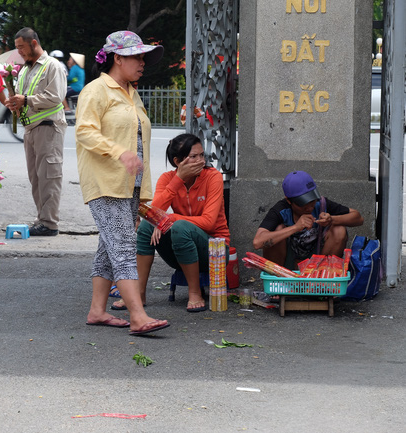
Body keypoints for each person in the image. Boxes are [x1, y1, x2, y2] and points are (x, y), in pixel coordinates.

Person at [75, 30, 169, 336]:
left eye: (144, 57)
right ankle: (138, 315)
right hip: (105, 183)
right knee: (125, 247)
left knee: (109, 247)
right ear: (118, 58)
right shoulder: (96, 91)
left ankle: (97, 311)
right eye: (137, 57)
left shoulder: (132, 93)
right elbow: (85, 132)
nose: (143, 63)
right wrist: (119, 153)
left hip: (130, 186)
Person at [129, 133, 230, 313]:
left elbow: (208, 223)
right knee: (146, 227)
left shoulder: (212, 177)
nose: (200, 161)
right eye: (193, 157)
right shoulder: (167, 179)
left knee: (179, 226)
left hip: (215, 251)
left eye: (201, 155)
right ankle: (139, 293)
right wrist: (178, 180)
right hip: (181, 250)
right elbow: (153, 214)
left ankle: (195, 293)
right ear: (178, 161)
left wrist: (170, 219)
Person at [7, 28, 67, 236]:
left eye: (21, 47)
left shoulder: (52, 66)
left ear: (33, 43)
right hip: (30, 128)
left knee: (49, 176)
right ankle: (42, 218)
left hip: (48, 127)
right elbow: (23, 96)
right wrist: (15, 103)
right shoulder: (24, 69)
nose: (20, 52)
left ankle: (50, 223)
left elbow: (56, 96)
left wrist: (27, 100)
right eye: (17, 48)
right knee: (36, 177)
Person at [253, 170, 364, 269]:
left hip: (317, 263)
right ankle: (280, 282)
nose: (310, 207)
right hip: (286, 265)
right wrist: (296, 227)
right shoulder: (281, 210)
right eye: (303, 204)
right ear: (289, 201)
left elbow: (358, 218)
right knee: (277, 230)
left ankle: (321, 279)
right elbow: (257, 242)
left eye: (312, 201)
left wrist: (332, 220)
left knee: (339, 229)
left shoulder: (321, 204)